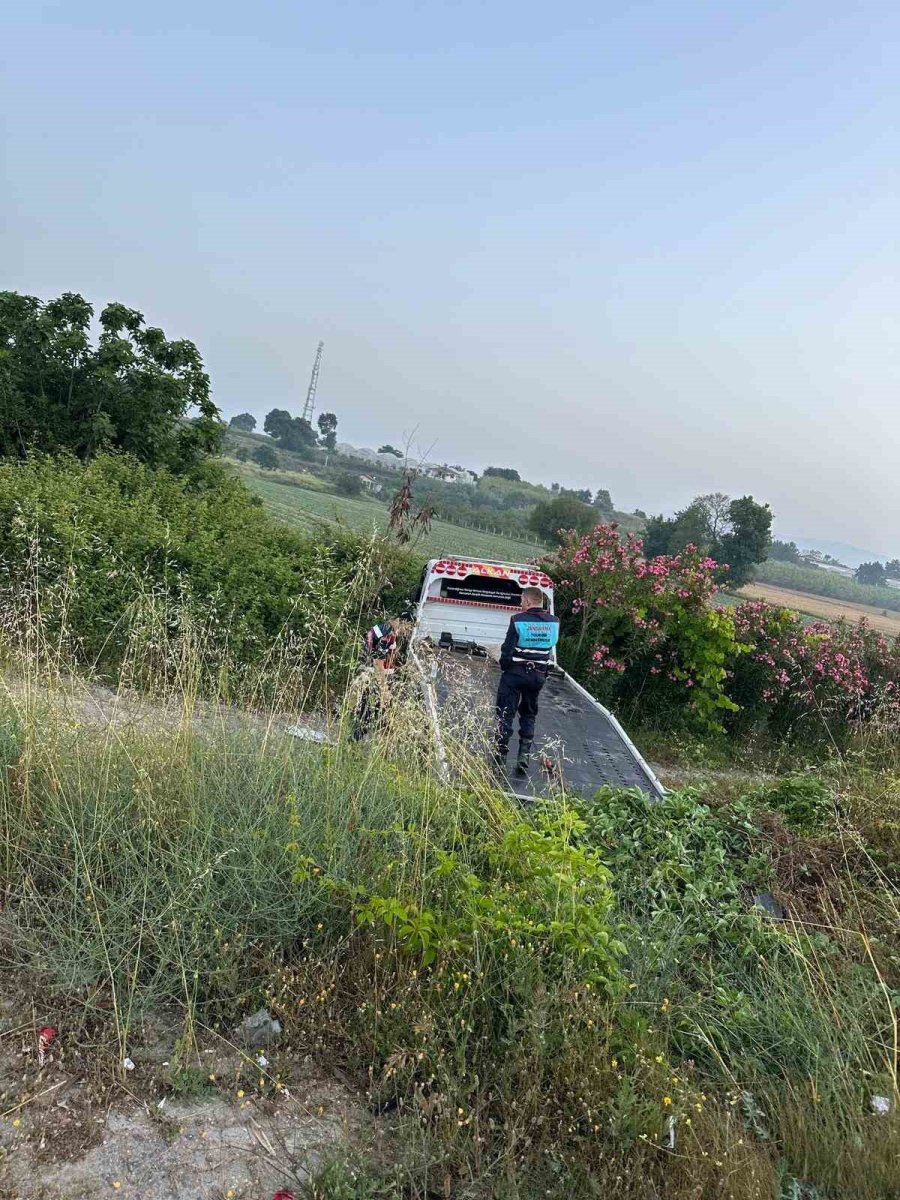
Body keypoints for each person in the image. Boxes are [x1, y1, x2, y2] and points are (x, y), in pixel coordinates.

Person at [494, 587, 560, 774]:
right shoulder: (554, 622)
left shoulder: (517, 620)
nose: (520, 603)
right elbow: (549, 648)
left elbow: (507, 649)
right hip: (538, 675)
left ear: (529, 602)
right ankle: (523, 757)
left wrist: (505, 666)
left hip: (515, 674)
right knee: (529, 714)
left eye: (522, 600)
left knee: (505, 712)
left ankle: (500, 756)